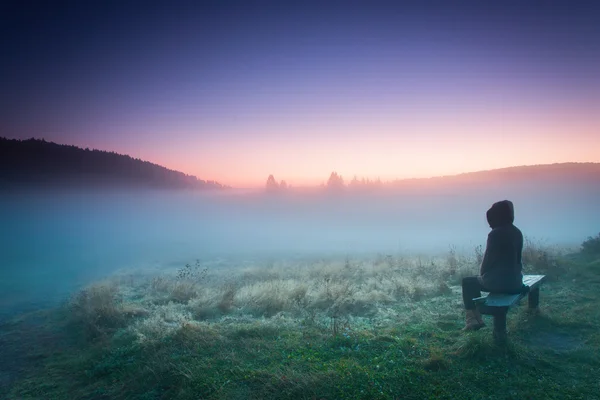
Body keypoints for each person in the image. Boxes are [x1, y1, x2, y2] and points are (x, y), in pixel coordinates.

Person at [462, 200, 524, 331]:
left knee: (468, 282)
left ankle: (472, 321)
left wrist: (483, 276)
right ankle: (476, 319)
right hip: (516, 283)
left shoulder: (495, 234)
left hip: (499, 283)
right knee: (474, 281)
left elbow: (487, 262)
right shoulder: (517, 232)